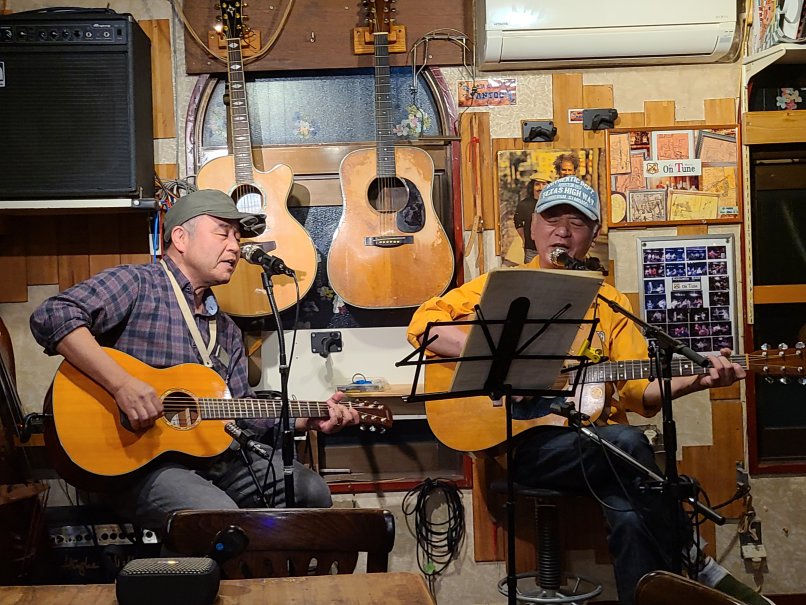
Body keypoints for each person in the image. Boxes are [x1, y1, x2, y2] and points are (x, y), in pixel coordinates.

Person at [407, 177, 772, 605]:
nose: (562, 231)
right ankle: (695, 559)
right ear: (532, 228)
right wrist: (505, 360)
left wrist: (698, 380)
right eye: (551, 219)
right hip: (524, 445)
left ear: (592, 234)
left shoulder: (609, 302)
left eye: (577, 223)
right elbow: (424, 326)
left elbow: (639, 394)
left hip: (599, 447)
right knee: (632, 446)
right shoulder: (502, 286)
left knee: (634, 514)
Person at [30, 189, 359, 532]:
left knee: (310, 491)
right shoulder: (138, 284)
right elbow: (52, 315)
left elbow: (239, 409)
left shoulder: (226, 329)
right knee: (217, 518)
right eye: (222, 233)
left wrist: (304, 419)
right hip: (137, 463)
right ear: (180, 238)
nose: (235, 247)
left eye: (238, 237)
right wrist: (122, 384)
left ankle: (264, 565)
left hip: (213, 461)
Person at [513, 174, 550, 263]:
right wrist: (524, 239)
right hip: (531, 250)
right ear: (532, 186)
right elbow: (518, 222)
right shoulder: (524, 204)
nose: (541, 188)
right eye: (537, 184)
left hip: (549, 249)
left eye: (544, 184)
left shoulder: (553, 204)